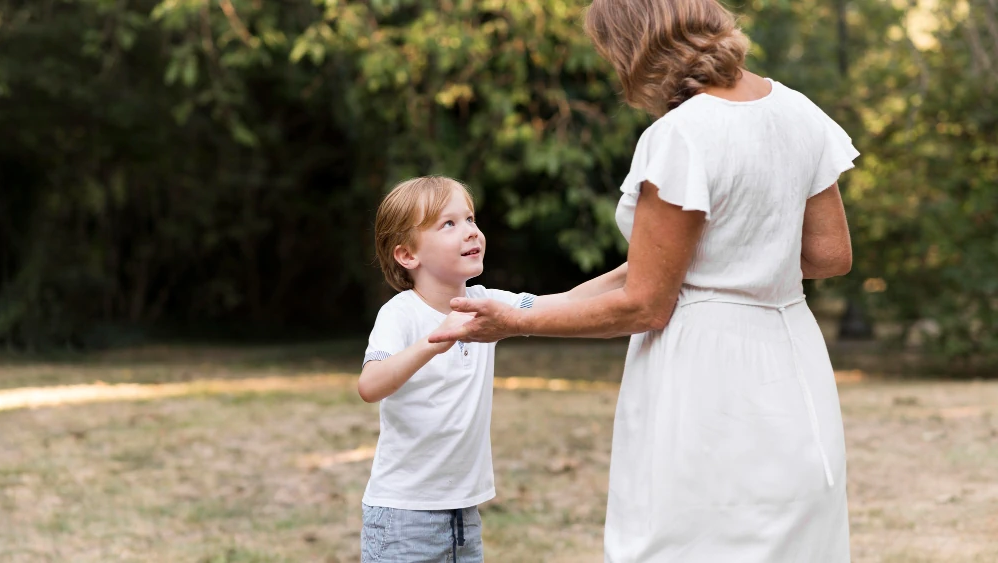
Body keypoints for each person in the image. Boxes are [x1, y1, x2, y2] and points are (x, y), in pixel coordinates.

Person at [428, 0, 860, 560]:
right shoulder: (800, 111)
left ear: (636, 45)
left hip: (707, 373)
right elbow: (829, 255)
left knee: (688, 542)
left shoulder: (681, 135)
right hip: (791, 361)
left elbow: (646, 304)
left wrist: (512, 321)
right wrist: (536, 303)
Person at [359, 175, 627, 562]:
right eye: (448, 224)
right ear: (407, 255)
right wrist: (436, 341)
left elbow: (564, 302)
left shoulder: (486, 302)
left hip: (464, 515)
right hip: (403, 517)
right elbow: (370, 385)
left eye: (470, 219)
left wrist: (631, 270)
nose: (470, 232)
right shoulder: (401, 314)